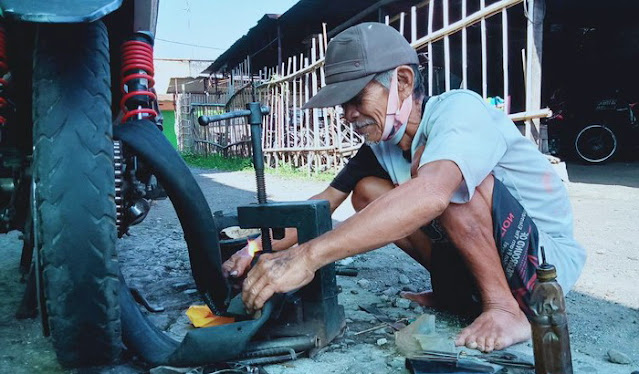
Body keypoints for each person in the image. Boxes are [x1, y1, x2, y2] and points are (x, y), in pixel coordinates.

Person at [222, 22, 586, 353]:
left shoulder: (459, 111)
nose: (348, 115)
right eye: (342, 105)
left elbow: (432, 194)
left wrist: (307, 257)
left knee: (444, 185)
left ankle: (506, 309)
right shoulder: (381, 144)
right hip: (497, 257)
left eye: (357, 99)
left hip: (543, 269)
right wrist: (256, 248)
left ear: (404, 82)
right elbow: (320, 205)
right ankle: (457, 295)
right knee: (367, 190)